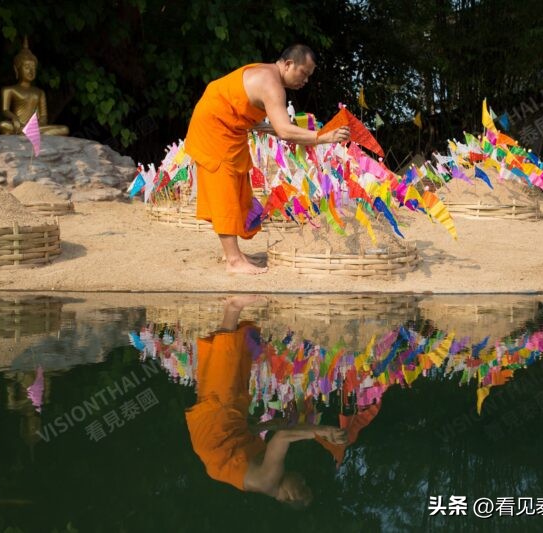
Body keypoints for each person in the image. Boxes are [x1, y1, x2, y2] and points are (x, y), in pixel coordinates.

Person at [184, 45, 351, 275]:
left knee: (238, 185)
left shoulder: (268, 75)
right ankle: (233, 260)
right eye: (303, 73)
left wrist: (263, 126)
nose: (305, 80)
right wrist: (325, 137)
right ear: (288, 64)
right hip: (214, 130)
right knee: (224, 189)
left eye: (309, 76)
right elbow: (285, 130)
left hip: (229, 127)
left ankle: (232, 251)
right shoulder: (272, 84)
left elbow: (238, 104)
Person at [185, 296, 347, 506]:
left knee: (227, 364)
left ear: (289, 496)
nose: (303, 480)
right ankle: (231, 310)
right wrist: (268, 425)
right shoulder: (264, 479)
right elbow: (252, 436)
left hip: (218, 429)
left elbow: (282, 438)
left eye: (303, 487)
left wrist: (324, 431)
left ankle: (233, 306)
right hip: (221, 433)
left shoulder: (269, 481)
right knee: (233, 366)